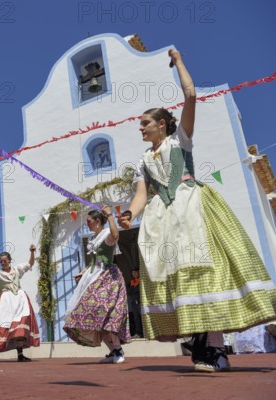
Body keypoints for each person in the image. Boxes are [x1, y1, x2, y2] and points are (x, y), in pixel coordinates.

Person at [118, 50, 276, 372]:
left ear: (161, 124)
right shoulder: (143, 162)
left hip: (192, 207)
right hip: (162, 219)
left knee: (204, 272)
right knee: (178, 279)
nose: (141, 129)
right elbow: (140, 196)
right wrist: (130, 216)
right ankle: (201, 344)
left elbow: (190, 95)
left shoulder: (181, 141)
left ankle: (214, 349)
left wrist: (178, 61)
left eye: (144, 124)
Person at [63, 206, 130, 364]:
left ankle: (118, 350)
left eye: (89, 221)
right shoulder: (93, 239)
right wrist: (83, 272)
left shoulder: (107, 233)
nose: (87, 224)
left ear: (98, 221)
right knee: (92, 313)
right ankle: (113, 351)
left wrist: (110, 215)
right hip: (93, 276)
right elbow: (94, 261)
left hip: (108, 276)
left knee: (105, 312)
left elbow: (115, 234)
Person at [0, 245, 40, 362]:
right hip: (6, 299)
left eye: (5, 260)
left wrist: (32, 252)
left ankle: (20, 355)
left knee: (19, 327)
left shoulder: (17, 269)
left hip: (20, 299)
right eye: (1, 261)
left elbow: (30, 263)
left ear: (10, 260)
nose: (3, 262)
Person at [127, 270, 143, 338]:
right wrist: (134, 289)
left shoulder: (141, 280)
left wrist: (133, 290)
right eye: (133, 273)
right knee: (136, 319)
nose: (134, 274)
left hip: (141, 301)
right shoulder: (131, 282)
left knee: (143, 317)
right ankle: (139, 333)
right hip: (134, 302)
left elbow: (140, 289)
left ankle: (145, 331)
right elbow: (128, 290)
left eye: (136, 272)